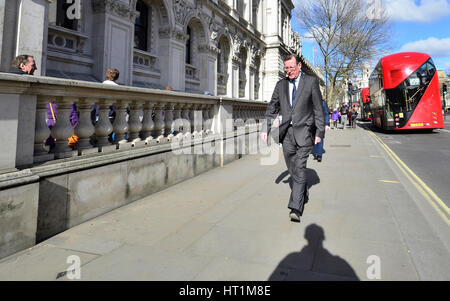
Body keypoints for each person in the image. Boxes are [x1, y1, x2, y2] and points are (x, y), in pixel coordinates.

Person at [261, 54, 324, 223]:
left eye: (292, 67)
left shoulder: (311, 82)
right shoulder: (281, 85)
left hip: (304, 132)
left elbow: (318, 109)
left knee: (300, 168)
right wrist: (265, 128)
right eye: (286, 68)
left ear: (299, 66)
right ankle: (302, 191)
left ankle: (295, 207)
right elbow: (272, 107)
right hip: (287, 134)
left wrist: (319, 133)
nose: (289, 71)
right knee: (293, 169)